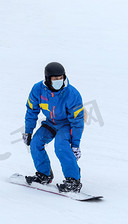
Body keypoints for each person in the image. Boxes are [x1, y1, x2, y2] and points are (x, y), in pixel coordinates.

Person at [22, 62, 85, 192]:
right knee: (35, 143)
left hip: (66, 124)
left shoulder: (72, 93)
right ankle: (44, 174)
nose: (59, 81)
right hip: (50, 123)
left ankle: (73, 180)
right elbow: (31, 111)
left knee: (61, 146)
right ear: (47, 79)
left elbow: (77, 121)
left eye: (61, 78)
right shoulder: (38, 90)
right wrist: (28, 132)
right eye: (55, 79)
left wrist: (75, 144)